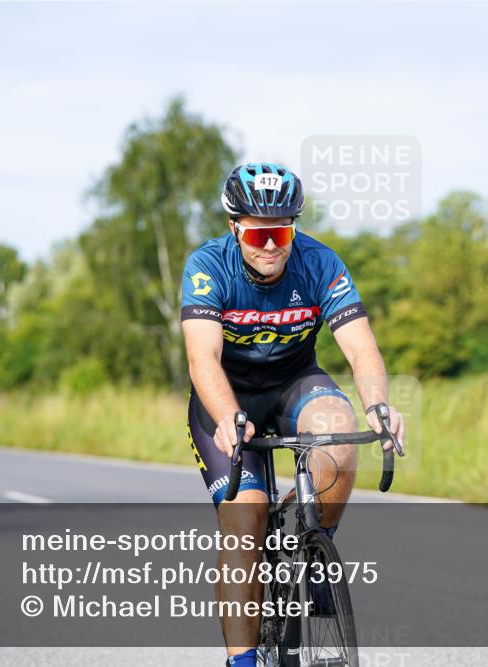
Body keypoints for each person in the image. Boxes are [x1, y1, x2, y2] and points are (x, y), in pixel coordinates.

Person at [181, 162, 405, 667]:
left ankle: (314, 546)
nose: (270, 245)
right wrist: (226, 416)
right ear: (235, 227)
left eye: (281, 231)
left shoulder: (320, 263)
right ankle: (243, 661)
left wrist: (378, 406)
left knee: (340, 435)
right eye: (259, 233)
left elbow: (361, 348)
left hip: (294, 383)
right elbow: (202, 359)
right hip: (228, 396)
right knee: (245, 522)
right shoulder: (208, 266)